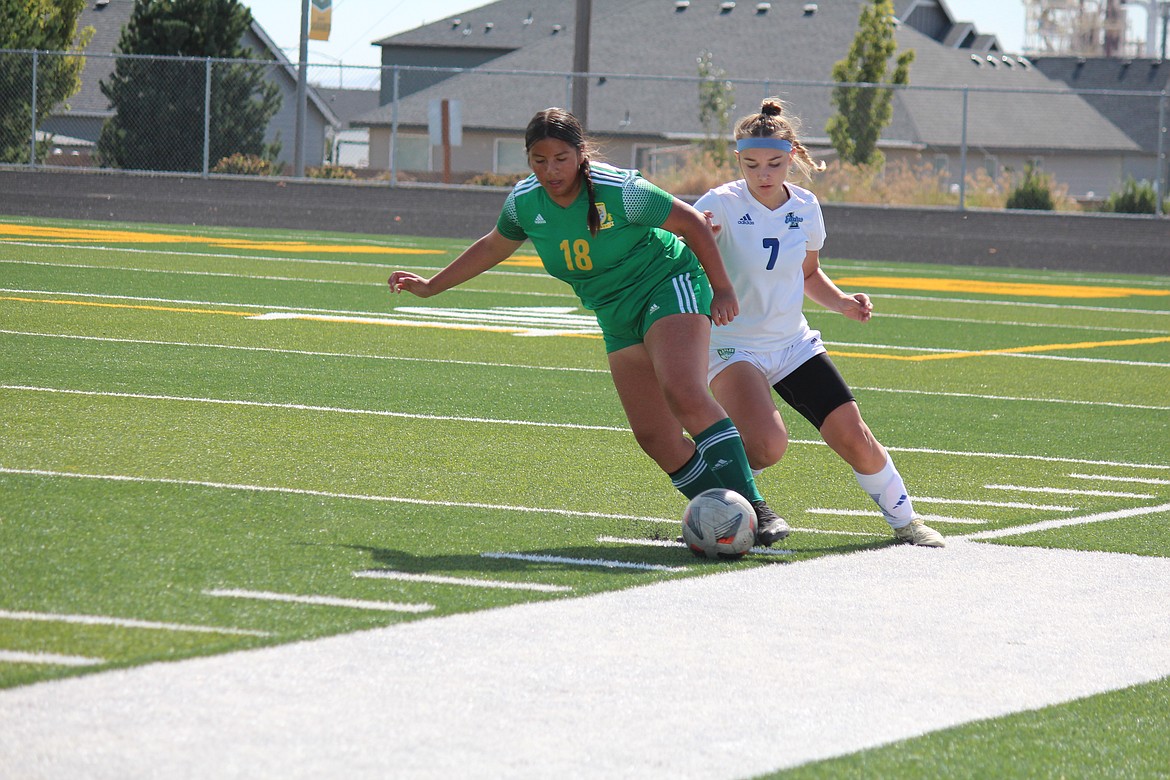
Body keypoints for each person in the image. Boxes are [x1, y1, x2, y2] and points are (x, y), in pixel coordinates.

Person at [388, 107, 790, 546]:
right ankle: (724, 517)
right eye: (539, 160)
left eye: (560, 158)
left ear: (580, 154)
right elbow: (492, 247)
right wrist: (431, 286)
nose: (550, 170)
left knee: (684, 392)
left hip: (667, 284)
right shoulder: (524, 203)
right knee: (655, 436)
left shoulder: (621, 191)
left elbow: (690, 221)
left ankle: (756, 509)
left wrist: (722, 288)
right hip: (613, 311)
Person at [694, 98, 944, 547]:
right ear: (738, 161)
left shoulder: (806, 207)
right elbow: (687, 259)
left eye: (774, 163)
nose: (763, 174)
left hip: (793, 344)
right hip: (734, 347)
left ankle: (907, 523)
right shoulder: (719, 204)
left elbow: (807, 273)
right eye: (751, 164)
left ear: (792, 157)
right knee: (768, 444)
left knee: (855, 436)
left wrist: (843, 302)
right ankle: (715, 498)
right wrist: (701, 244)